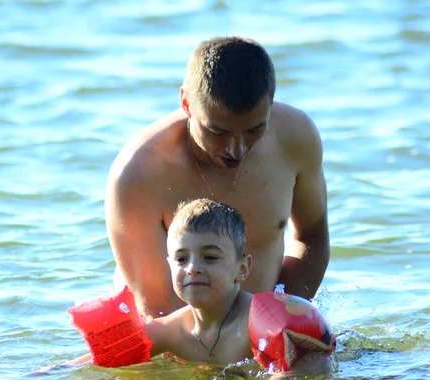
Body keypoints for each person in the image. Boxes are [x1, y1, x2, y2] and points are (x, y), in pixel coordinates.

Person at [107, 36, 329, 318]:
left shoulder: (297, 136)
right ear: (187, 104)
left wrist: (282, 319)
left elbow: (312, 237)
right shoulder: (138, 173)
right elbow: (156, 311)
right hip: (173, 333)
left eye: (253, 131)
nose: (236, 150)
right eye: (218, 132)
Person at [69, 199, 333, 371]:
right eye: (182, 258)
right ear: (169, 264)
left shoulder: (261, 323)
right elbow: (95, 364)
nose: (192, 268)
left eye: (210, 257)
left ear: (242, 268)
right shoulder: (172, 333)